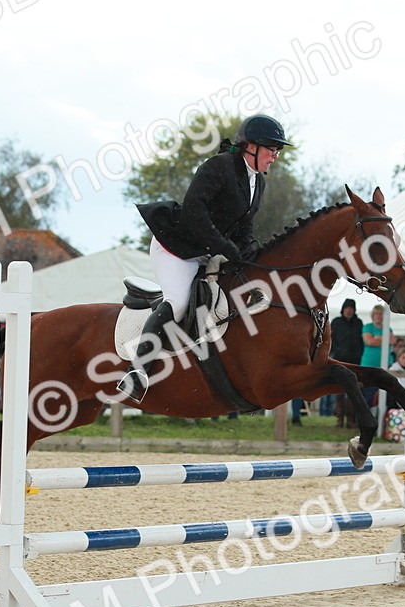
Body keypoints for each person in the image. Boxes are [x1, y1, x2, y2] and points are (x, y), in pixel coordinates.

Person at [119, 114, 293, 402]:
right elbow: (193, 213)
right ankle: (136, 372)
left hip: (207, 252)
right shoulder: (219, 166)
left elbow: (244, 226)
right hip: (177, 247)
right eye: (271, 149)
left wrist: (250, 253)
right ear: (250, 146)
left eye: (278, 150)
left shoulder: (257, 183)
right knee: (178, 301)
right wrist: (225, 247)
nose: (275, 155)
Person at [326, 298, 364, 424]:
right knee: (338, 390)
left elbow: (360, 342)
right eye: (347, 308)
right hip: (339, 360)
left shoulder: (358, 323)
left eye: (351, 308)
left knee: (353, 390)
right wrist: (334, 353)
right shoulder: (336, 322)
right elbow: (330, 339)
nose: (349, 310)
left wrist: (359, 354)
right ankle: (339, 419)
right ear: (343, 309)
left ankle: (351, 419)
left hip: (354, 361)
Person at [361, 305, 391, 406]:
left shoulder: (388, 328)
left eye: (381, 314)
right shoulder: (368, 327)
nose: (378, 316)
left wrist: (378, 338)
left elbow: (393, 340)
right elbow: (369, 341)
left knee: (383, 393)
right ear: (372, 315)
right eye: (376, 314)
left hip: (385, 365)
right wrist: (384, 339)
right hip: (369, 364)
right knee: (368, 393)